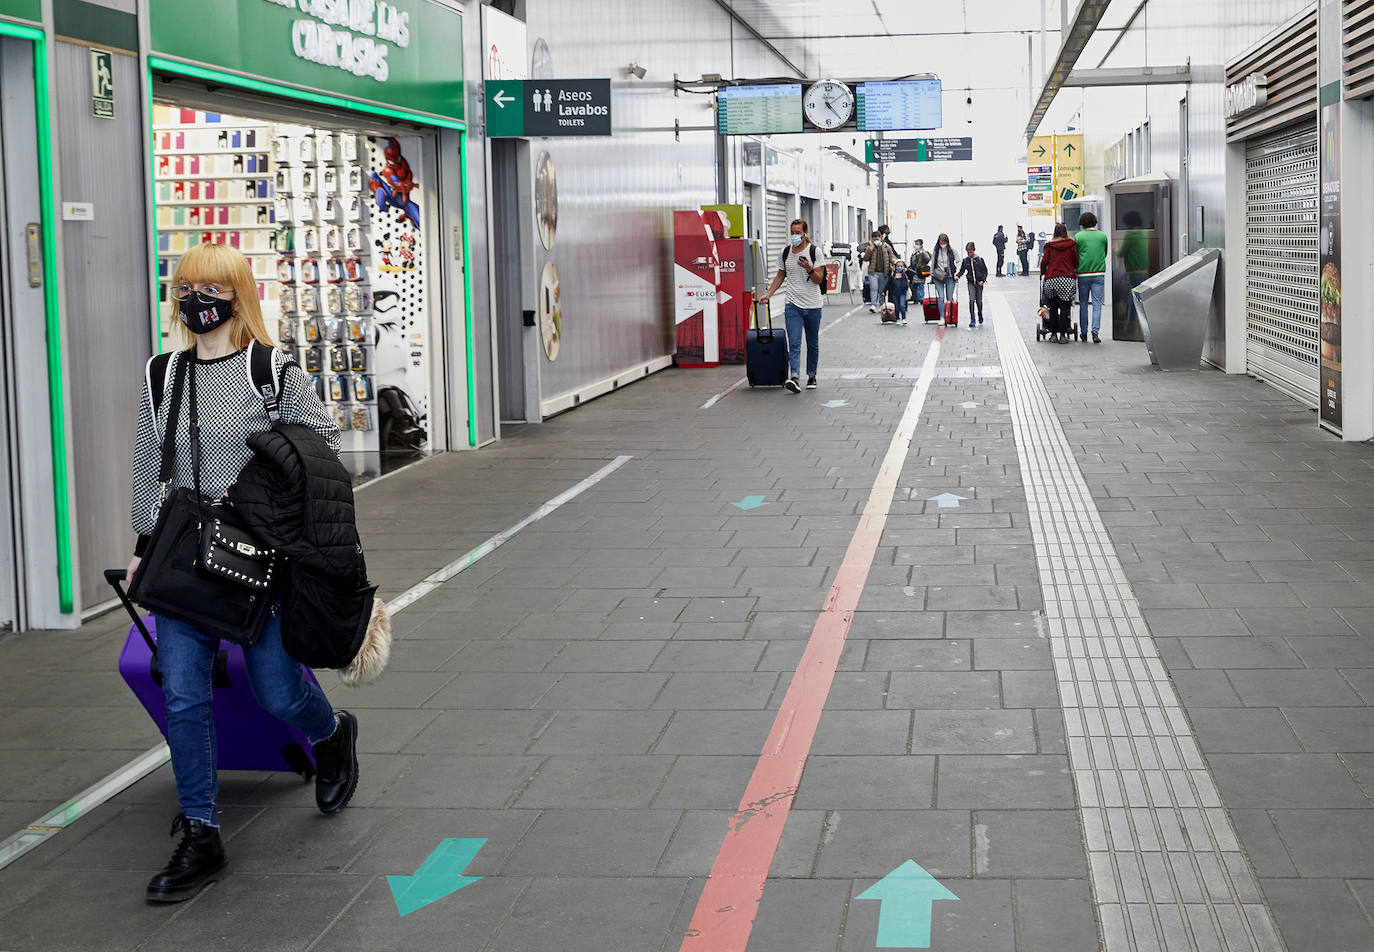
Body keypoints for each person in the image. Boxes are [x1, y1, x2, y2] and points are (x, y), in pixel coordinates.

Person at [127, 243, 359, 903]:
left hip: (260, 560)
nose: (197, 300)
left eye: (211, 287)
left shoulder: (271, 369)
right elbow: (150, 464)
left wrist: (260, 495)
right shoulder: (162, 374)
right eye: (186, 287)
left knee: (277, 692)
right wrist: (144, 540)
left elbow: (319, 445)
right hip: (182, 561)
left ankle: (330, 731)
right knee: (184, 695)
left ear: (237, 293)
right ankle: (201, 831)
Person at [758, 218, 827, 392]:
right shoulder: (785, 252)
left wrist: (809, 268)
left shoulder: (815, 251)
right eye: (792, 233)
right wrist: (768, 294)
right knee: (794, 343)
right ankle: (794, 377)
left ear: (805, 233)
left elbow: (819, 279)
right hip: (792, 304)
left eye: (798, 233)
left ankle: (812, 375)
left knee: (812, 343)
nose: (795, 236)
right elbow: (780, 276)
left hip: (813, 305)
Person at [1039, 223, 1080, 342]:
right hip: (1067, 279)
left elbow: (1044, 262)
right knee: (1065, 308)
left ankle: (1053, 335)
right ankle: (1062, 335)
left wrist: (1042, 272)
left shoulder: (1049, 245)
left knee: (1052, 307)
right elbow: (1076, 262)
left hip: (1052, 279)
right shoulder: (1071, 244)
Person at [1074, 211, 1109, 343]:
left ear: (1082, 223)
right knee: (1097, 304)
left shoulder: (1078, 237)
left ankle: (1083, 333)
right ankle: (1095, 332)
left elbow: (1075, 256)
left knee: (1083, 304)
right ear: (1095, 222)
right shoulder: (1102, 236)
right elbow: (1104, 253)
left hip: (1083, 274)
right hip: (1098, 274)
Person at [861, 229, 896, 312]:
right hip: (873, 272)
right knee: (873, 288)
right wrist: (870, 249)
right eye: (874, 239)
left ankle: (882, 305)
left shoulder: (887, 247)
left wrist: (896, 263)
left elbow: (891, 257)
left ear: (881, 238)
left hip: (884, 272)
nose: (876, 240)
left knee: (882, 289)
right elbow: (865, 259)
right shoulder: (870, 247)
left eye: (877, 238)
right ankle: (873, 304)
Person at [955, 241, 988, 327]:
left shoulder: (980, 260)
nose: (969, 254)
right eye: (968, 252)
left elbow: (985, 271)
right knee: (971, 300)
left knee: (979, 301)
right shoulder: (966, 260)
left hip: (979, 283)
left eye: (971, 252)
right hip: (971, 283)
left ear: (974, 250)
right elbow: (962, 271)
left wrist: (983, 280)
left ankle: (980, 314)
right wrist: (958, 275)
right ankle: (972, 319)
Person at [928, 233, 959, 314]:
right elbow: (933, 263)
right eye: (941, 243)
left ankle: (950, 316)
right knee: (941, 297)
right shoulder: (936, 251)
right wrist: (932, 275)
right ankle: (942, 317)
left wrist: (957, 273)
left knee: (949, 298)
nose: (942, 245)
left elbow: (958, 261)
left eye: (943, 243)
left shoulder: (952, 250)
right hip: (938, 276)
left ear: (947, 242)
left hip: (950, 276)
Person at [889, 259, 910, 325]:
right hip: (895, 293)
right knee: (896, 307)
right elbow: (888, 284)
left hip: (902, 293)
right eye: (898, 266)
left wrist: (907, 270)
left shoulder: (904, 274)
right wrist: (884, 291)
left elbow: (913, 273)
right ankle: (897, 318)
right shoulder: (893, 275)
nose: (899, 267)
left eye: (901, 266)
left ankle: (904, 318)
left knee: (902, 305)